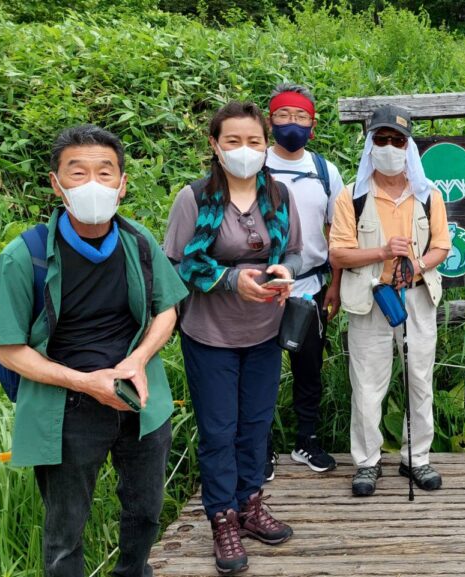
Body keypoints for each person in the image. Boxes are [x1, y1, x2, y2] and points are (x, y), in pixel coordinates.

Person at [0, 124, 188, 577]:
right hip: (68, 408)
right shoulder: (25, 257)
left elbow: (167, 311)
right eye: (77, 173)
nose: (93, 184)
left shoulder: (137, 241)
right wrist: (85, 382)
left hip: (140, 398)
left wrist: (136, 360)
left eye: (105, 172)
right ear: (56, 184)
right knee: (65, 534)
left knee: (145, 513)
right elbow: (10, 350)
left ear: (122, 184)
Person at [165, 101, 303, 574]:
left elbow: (298, 255)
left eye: (254, 141)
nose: (245, 150)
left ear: (266, 146)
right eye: (233, 141)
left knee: (255, 425)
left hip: (264, 332)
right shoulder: (196, 197)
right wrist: (228, 280)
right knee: (218, 431)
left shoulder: (279, 196)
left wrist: (285, 271)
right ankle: (221, 515)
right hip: (210, 334)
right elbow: (178, 264)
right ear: (215, 145)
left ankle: (249, 504)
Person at [328, 105, 450, 497]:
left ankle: (417, 457)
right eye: (380, 140)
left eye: (397, 140)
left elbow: (442, 247)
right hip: (370, 300)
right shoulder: (353, 196)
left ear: (408, 146)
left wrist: (415, 267)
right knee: (366, 384)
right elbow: (339, 254)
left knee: (420, 379)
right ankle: (366, 462)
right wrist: (382, 252)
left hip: (417, 299)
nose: (389, 148)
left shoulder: (428, 194)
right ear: (369, 145)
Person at [262, 83, 345, 479]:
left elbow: (338, 233)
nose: (291, 124)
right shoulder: (252, 166)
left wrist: (335, 284)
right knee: (259, 371)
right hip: (258, 288)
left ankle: (306, 440)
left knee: (309, 369)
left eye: (300, 117)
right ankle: (260, 447)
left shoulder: (325, 172)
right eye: (284, 116)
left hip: (310, 286)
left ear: (312, 125)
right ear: (269, 120)